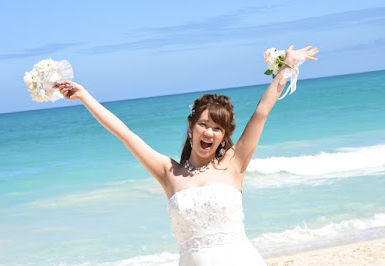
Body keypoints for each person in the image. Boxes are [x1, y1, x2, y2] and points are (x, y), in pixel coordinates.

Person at [55, 45, 318, 265]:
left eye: (218, 129)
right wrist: (84, 96)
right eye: (204, 124)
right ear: (191, 127)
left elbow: (262, 112)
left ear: (224, 136)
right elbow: (124, 133)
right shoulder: (168, 172)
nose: (210, 133)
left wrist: (286, 68)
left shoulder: (233, 164)